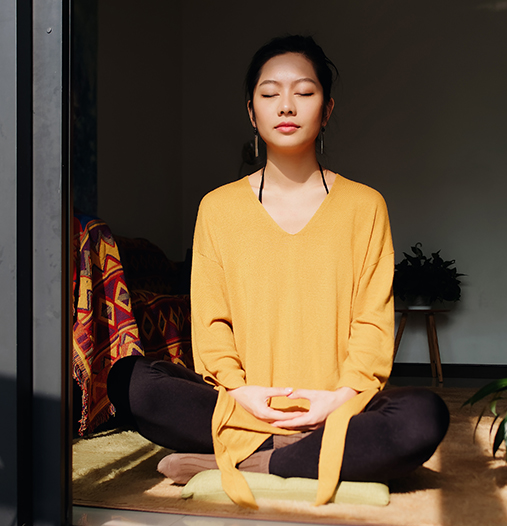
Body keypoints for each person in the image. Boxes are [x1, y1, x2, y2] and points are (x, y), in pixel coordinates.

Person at [107, 35, 449, 509]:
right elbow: (210, 324)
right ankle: (293, 454)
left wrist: (339, 397)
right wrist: (242, 392)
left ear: (326, 109)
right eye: (270, 94)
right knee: (131, 382)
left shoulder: (365, 206)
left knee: (423, 416)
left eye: (304, 93)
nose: (286, 105)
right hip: (242, 405)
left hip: (336, 411)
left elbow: (373, 323)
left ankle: (255, 461)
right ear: (252, 111)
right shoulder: (218, 208)